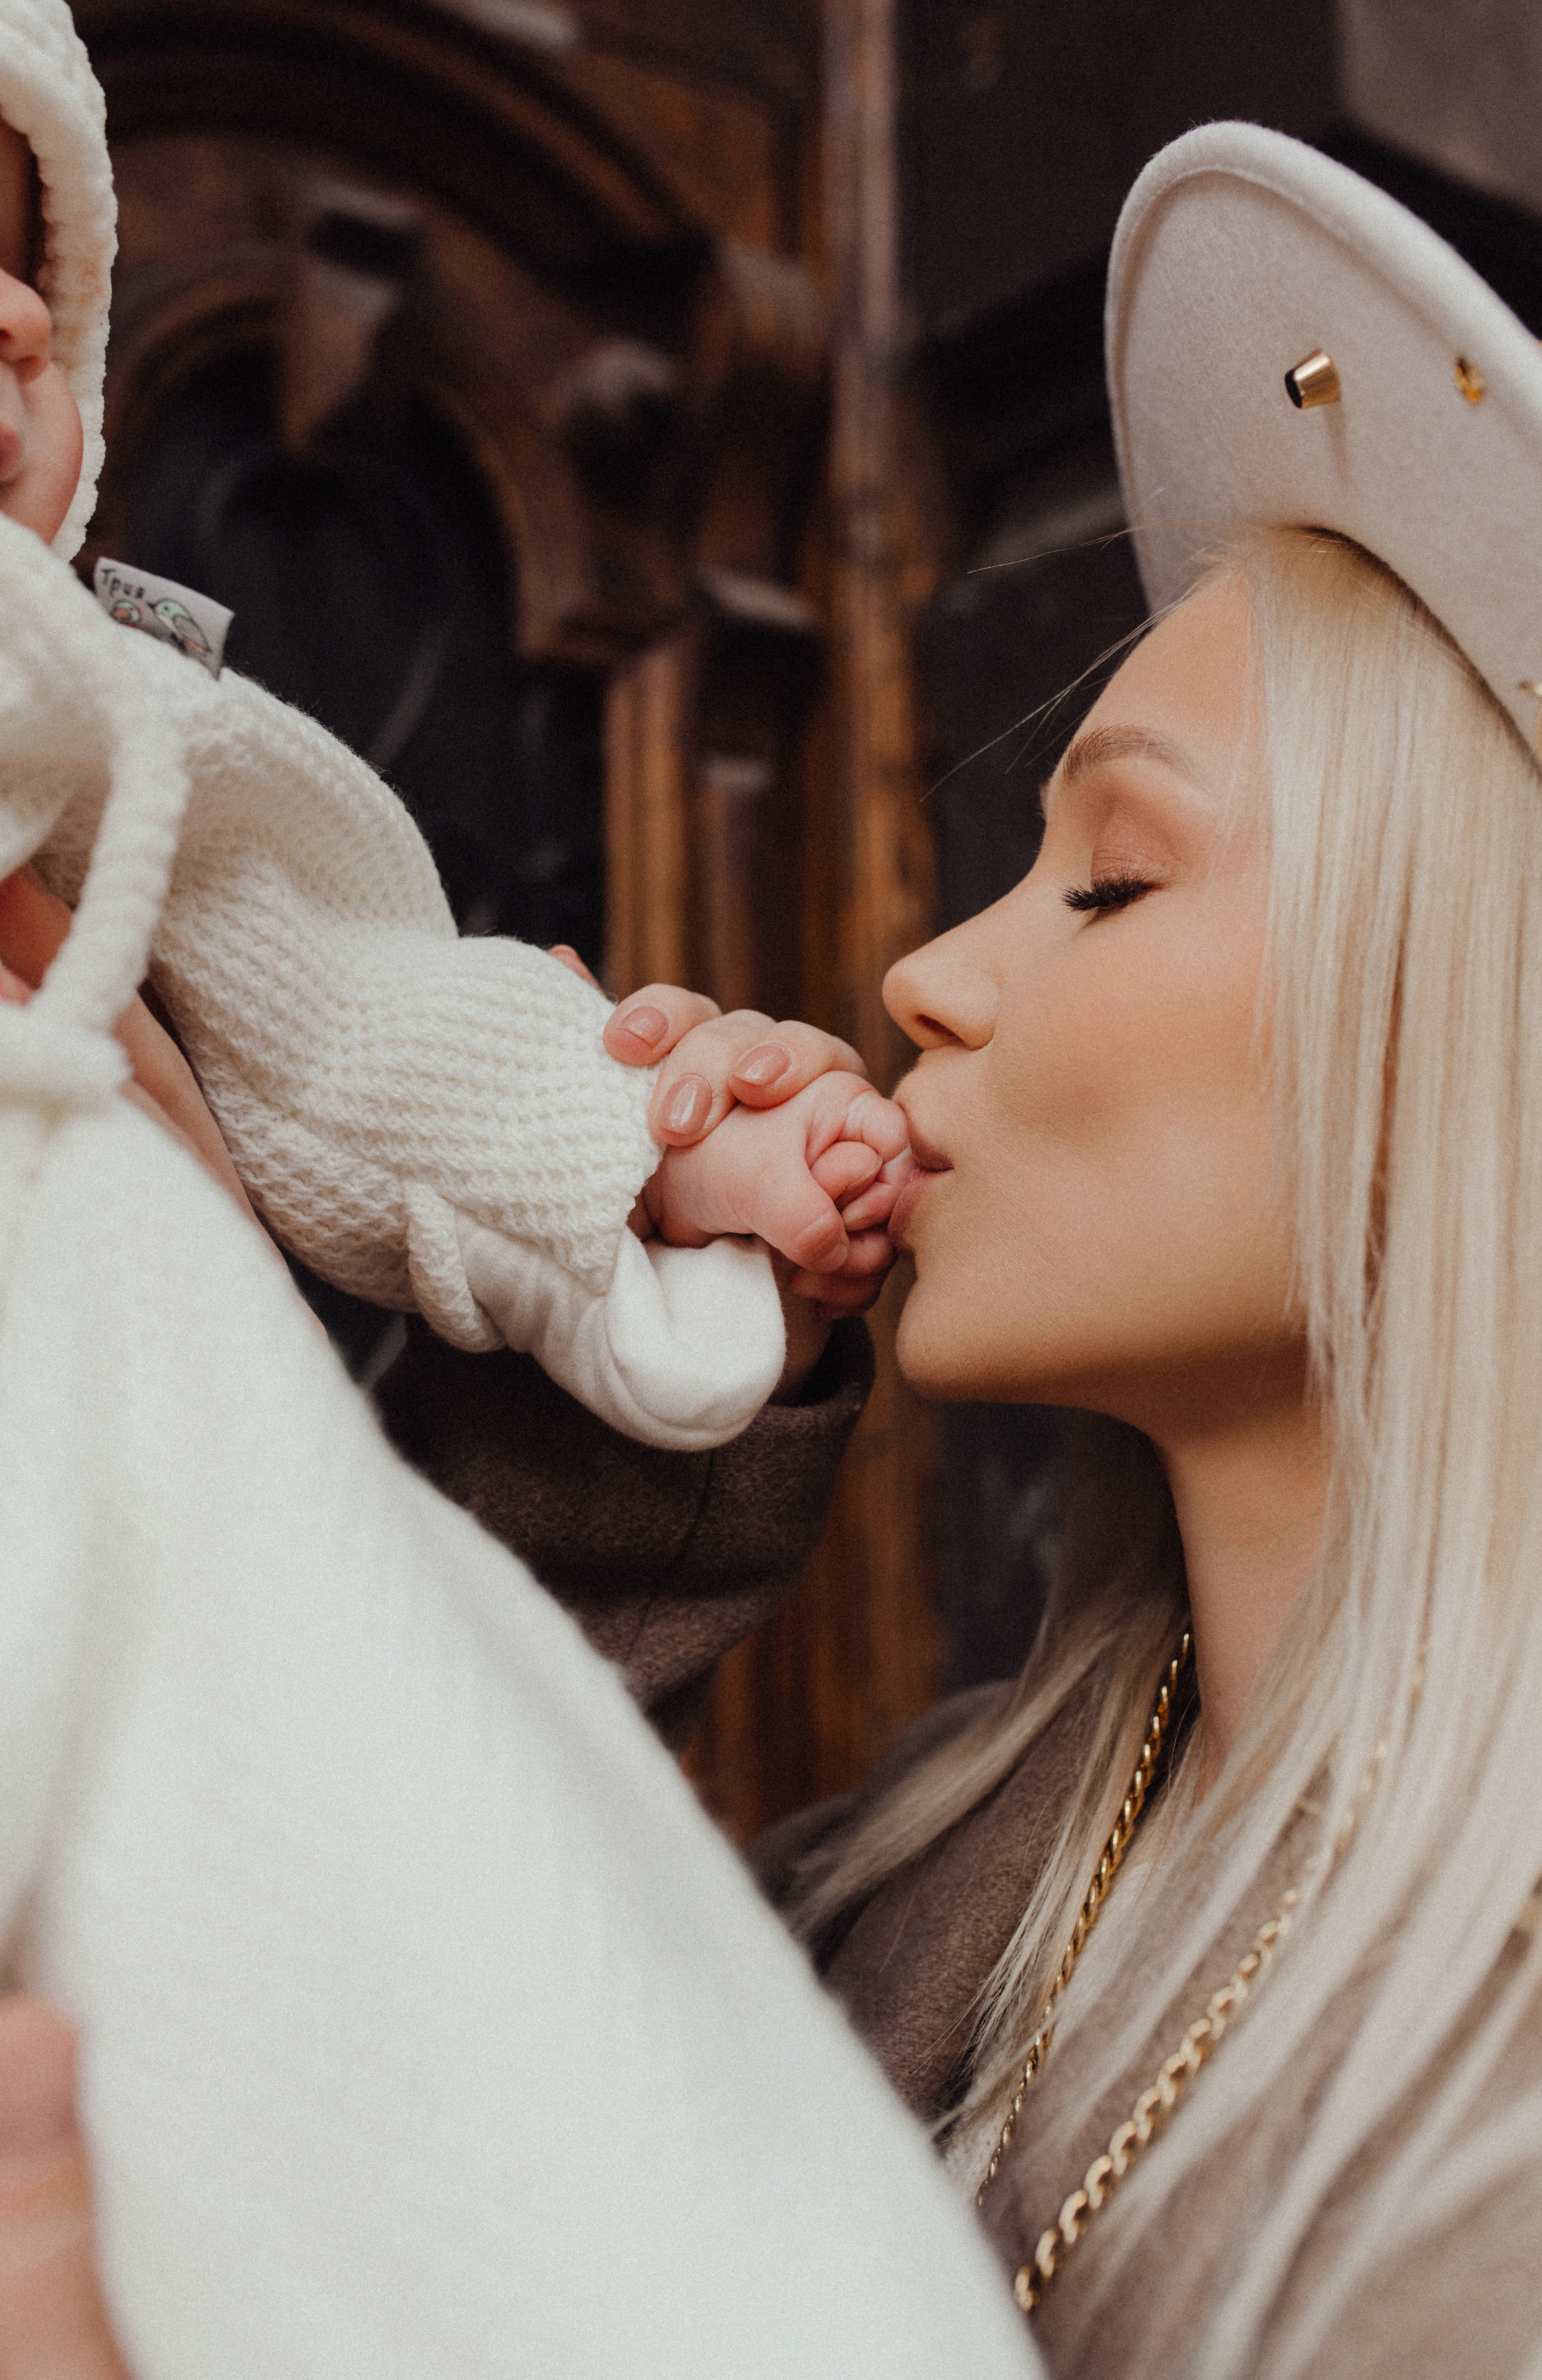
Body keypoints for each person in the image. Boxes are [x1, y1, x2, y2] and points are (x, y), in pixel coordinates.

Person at [15, 94, 1542, 2380]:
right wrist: (598, 1347)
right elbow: (393, 2029)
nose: (934, 972)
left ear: (1482, 1030)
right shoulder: (927, 1889)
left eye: (1111, 878)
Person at [0, 4, 1046, 2376]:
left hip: (156, 1554)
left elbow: (376, 1019)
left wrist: (627, 1154)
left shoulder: (127, 785)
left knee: (462, 2037)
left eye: (19, 271)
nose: (10, 326)